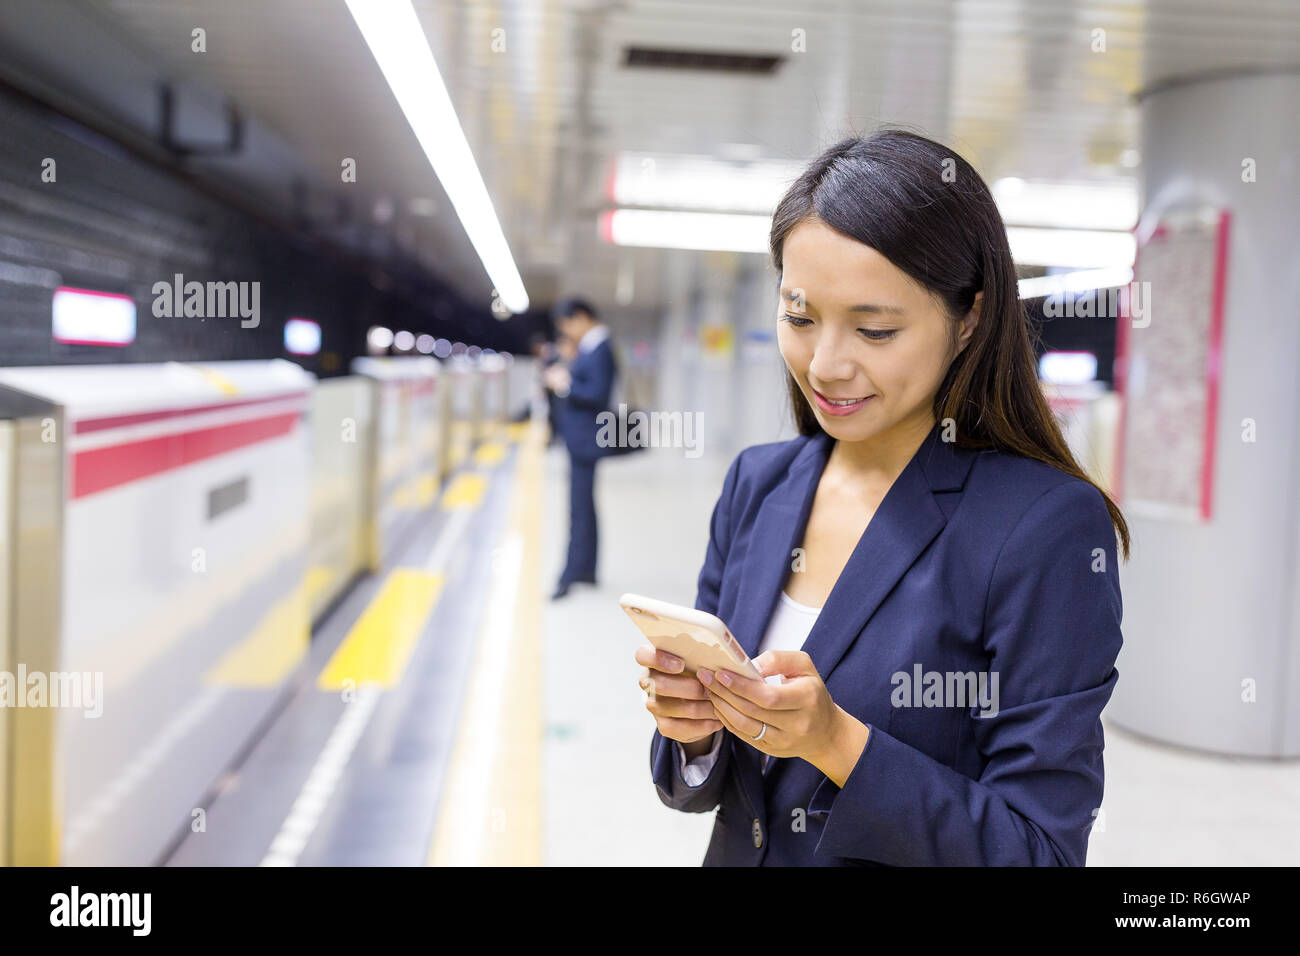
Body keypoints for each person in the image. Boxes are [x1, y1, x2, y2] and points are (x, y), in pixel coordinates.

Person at [635, 128, 1130, 866]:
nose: (826, 364)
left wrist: (838, 743)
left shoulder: (1042, 529)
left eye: (874, 329)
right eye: (799, 317)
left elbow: (1040, 850)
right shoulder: (759, 484)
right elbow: (710, 792)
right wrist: (696, 730)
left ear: (969, 319)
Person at [544, 297, 618, 599]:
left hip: (585, 441)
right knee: (584, 506)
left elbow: (597, 393)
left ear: (581, 317)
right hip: (582, 440)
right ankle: (586, 569)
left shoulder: (600, 348)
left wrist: (564, 384)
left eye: (567, 324)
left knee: (579, 508)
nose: (568, 332)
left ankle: (571, 573)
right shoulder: (593, 347)